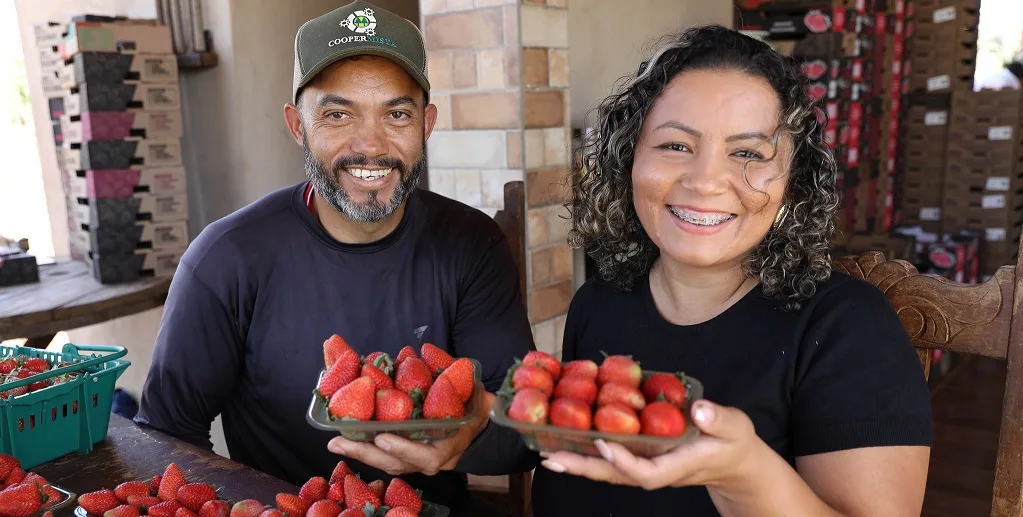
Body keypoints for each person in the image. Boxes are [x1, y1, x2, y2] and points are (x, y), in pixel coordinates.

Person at [133, 2, 536, 515]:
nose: (370, 144)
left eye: (397, 114)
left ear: (427, 124)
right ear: (297, 125)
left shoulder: (471, 245)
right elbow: (166, 441)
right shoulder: (225, 259)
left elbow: (522, 431)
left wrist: (461, 447)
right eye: (338, 114)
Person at [530, 25, 933, 517]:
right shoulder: (598, 302)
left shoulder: (850, 330)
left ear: (793, 181)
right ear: (627, 158)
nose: (705, 182)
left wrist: (745, 475)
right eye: (676, 145)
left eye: (748, 153)